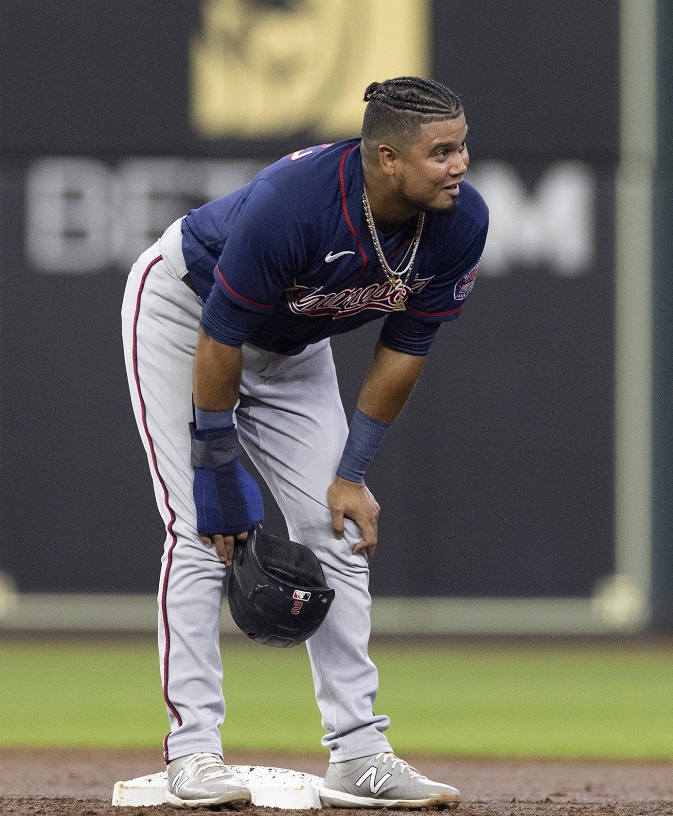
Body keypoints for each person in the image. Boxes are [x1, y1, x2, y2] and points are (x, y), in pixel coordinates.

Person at [121, 77, 488, 809]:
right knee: (201, 531)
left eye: (462, 145)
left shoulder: (458, 221)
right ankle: (192, 754)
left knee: (339, 526)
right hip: (185, 314)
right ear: (386, 157)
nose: (460, 164)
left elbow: (407, 344)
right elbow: (221, 335)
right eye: (440, 151)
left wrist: (353, 471)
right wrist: (217, 464)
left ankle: (359, 753)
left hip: (290, 349)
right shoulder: (295, 204)